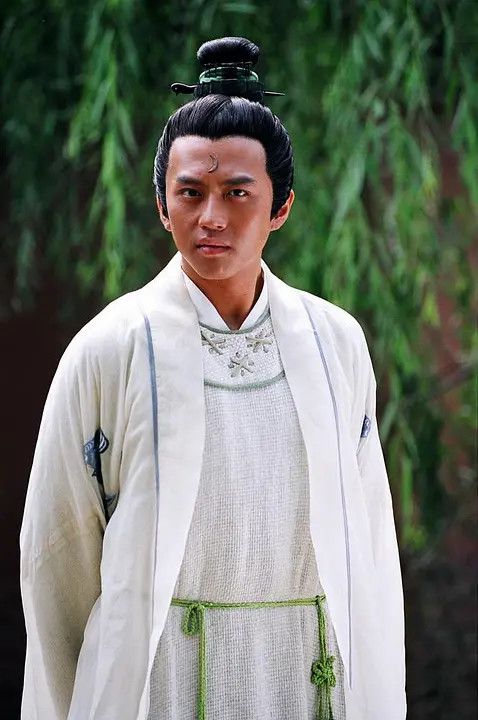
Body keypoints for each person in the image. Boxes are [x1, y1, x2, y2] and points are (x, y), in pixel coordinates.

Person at [20, 37, 406, 720]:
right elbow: (58, 554)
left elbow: (370, 544)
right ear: (162, 205)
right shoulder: (111, 348)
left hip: (305, 675)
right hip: (159, 680)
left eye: (238, 193)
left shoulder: (335, 344)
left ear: (281, 206)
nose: (212, 218)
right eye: (190, 193)